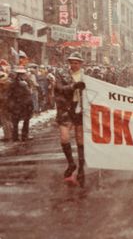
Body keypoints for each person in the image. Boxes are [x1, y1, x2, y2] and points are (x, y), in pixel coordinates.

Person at [54, 52, 86, 187]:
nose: (74, 64)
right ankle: (71, 163)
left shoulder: (88, 76)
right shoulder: (62, 74)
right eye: (72, 62)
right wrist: (73, 86)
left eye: (77, 62)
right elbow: (59, 89)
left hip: (81, 109)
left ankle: (81, 168)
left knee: (80, 138)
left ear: (81, 63)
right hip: (66, 108)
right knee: (64, 138)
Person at [7, 66, 34, 142]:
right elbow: (28, 95)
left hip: (15, 105)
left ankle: (15, 137)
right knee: (26, 120)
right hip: (23, 105)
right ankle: (24, 136)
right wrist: (30, 105)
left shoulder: (12, 84)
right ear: (21, 75)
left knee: (15, 122)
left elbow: (9, 95)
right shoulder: (24, 84)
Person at [0, 71, 12, 142]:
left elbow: (2, 97)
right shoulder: (9, 83)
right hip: (9, 104)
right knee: (8, 120)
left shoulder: (4, 86)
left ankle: (8, 136)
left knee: (5, 120)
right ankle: (10, 134)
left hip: (4, 105)